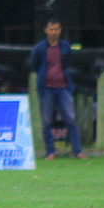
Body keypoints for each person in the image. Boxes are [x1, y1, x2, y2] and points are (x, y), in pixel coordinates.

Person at [29, 18, 86, 160]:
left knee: (71, 119)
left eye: (56, 29)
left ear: (60, 30)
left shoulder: (65, 47)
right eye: (51, 29)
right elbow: (33, 64)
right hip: (46, 88)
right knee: (46, 121)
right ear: (45, 30)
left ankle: (77, 151)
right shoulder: (39, 48)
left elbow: (67, 62)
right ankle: (50, 152)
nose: (54, 32)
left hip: (63, 87)